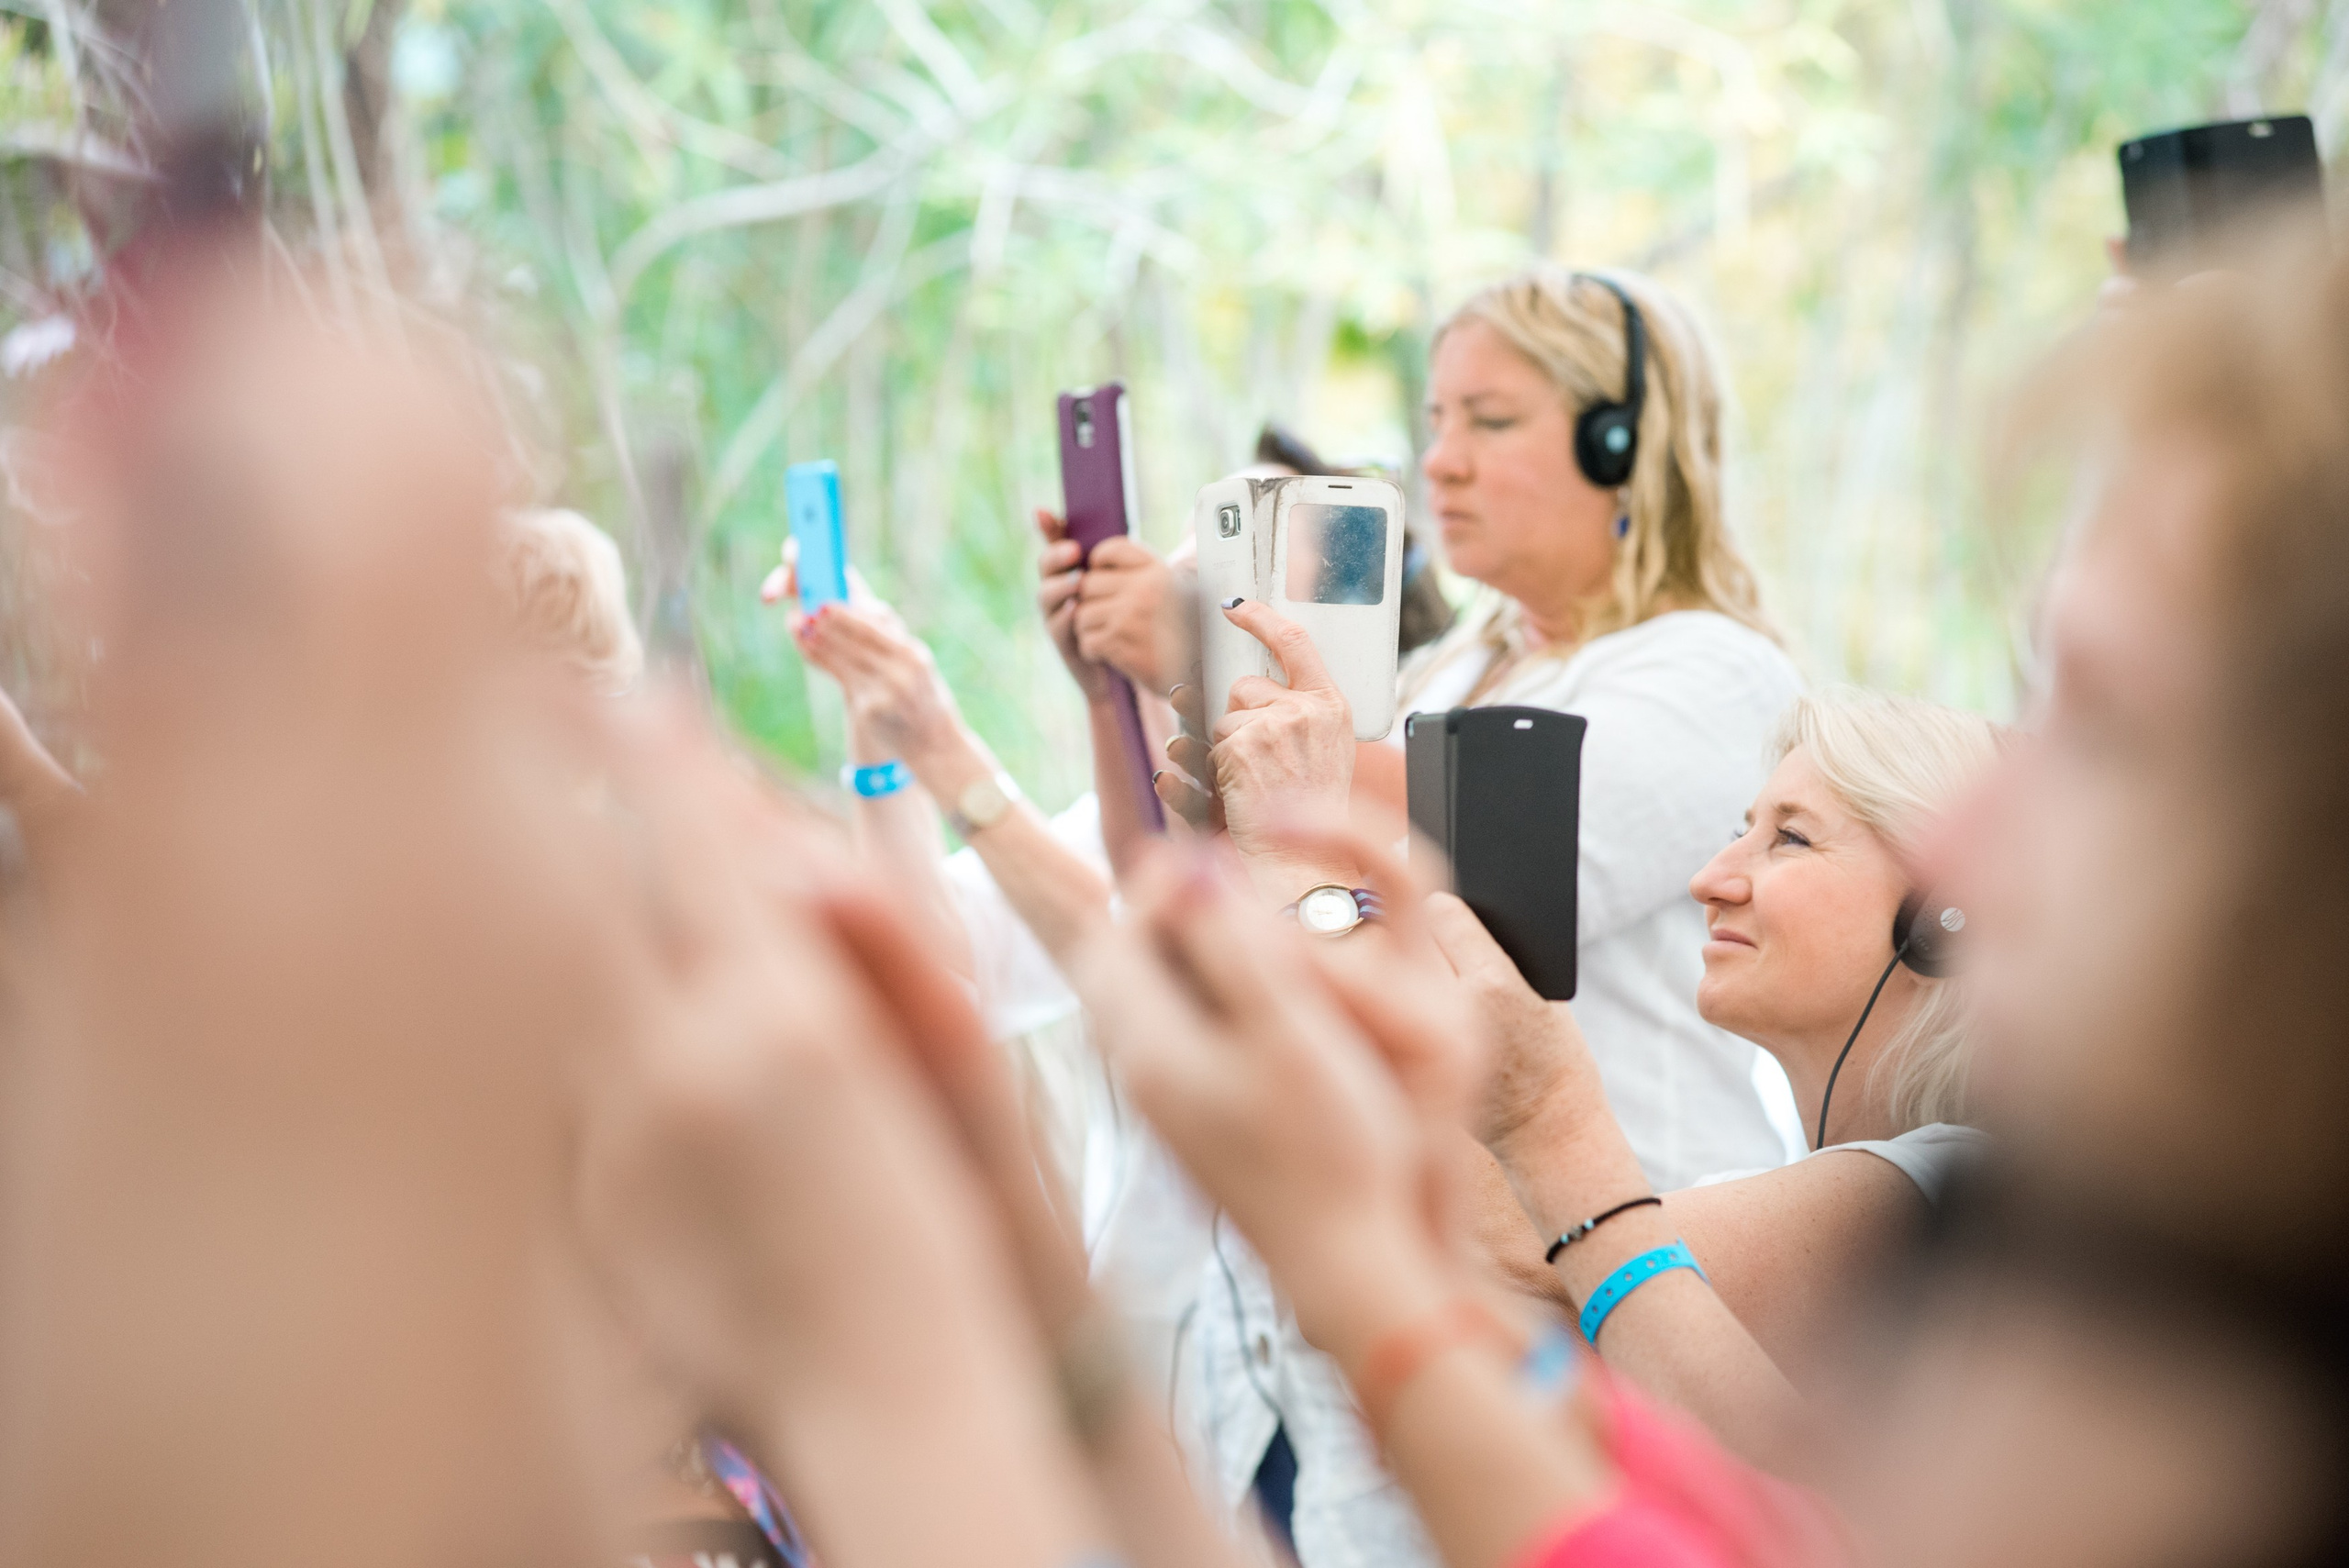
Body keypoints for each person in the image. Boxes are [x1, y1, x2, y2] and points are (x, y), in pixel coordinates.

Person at [1168, 266, 1804, 1567]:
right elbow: (1346, 907)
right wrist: (1240, 801)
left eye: (1492, 423)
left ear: (1624, 446)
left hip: (1591, 1296)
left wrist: (1300, 779)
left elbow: (1482, 874)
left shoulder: (1712, 672)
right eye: (1436, 420)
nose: (1439, 463)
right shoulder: (1447, 668)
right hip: (1371, 1329)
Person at [1431, 687, 1998, 1467]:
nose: (1709, 878)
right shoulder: (1770, 1186)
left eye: (1790, 838)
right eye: (1741, 832)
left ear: (1944, 916)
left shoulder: (1962, 1182)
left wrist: (1317, 892)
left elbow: (1507, 1248)